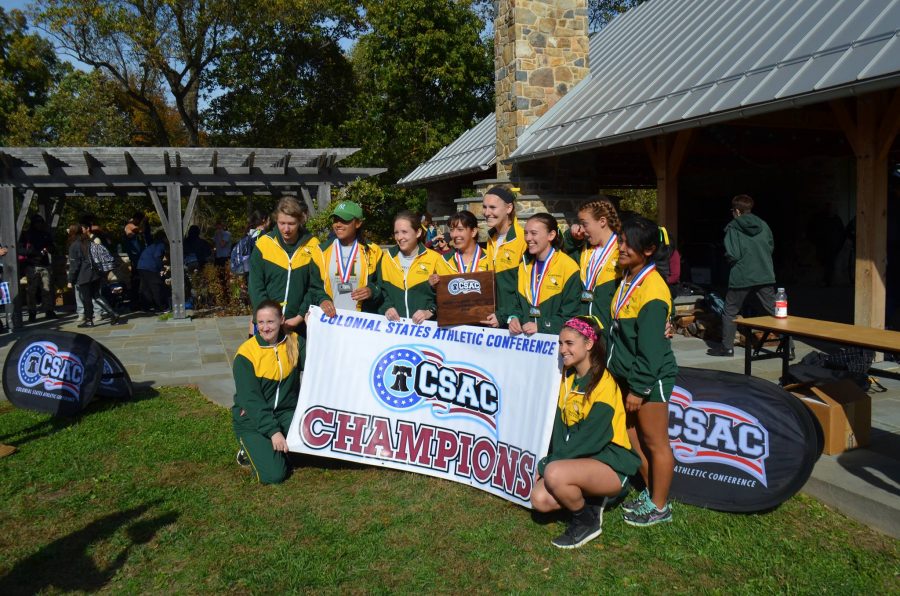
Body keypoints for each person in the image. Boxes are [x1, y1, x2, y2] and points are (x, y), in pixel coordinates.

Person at [531, 316, 640, 549]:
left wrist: (547, 463)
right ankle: (591, 497)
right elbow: (561, 433)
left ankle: (586, 521)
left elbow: (590, 441)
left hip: (611, 464)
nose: (563, 350)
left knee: (554, 473)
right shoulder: (567, 378)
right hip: (583, 461)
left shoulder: (604, 383)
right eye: (560, 344)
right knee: (539, 500)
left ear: (589, 344)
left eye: (569, 343)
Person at [606, 216, 677, 526]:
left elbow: (650, 350)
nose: (620, 247)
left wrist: (638, 389)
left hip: (648, 379)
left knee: (655, 442)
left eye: (627, 242)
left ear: (648, 249)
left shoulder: (653, 290)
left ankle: (660, 507)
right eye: (620, 240)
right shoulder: (628, 276)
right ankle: (651, 493)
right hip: (627, 375)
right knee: (634, 439)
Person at [232, 300, 302, 484]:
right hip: (253, 419)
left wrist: (316, 327)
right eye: (260, 322)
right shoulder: (246, 355)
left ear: (282, 320)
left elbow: (320, 358)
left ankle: (277, 449)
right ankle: (247, 450)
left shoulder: (293, 341)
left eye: (270, 322)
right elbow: (251, 401)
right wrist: (274, 432)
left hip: (285, 413)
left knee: (316, 450)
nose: (264, 327)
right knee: (275, 475)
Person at [248, 197, 334, 334]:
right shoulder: (264, 245)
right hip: (267, 326)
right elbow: (256, 287)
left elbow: (314, 287)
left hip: (298, 325)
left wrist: (299, 317)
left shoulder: (313, 245)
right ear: (276, 220)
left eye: (291, 224)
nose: (286, 229)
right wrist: (270, 318)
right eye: (282, 223)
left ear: (300, 221)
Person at [708, 194, 779, 357]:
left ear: (738, 211)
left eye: (733, 210)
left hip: (741, 275)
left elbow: (733, 253)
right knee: (775, 311)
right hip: (764, 273)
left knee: (730, 311)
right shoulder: (764, 225)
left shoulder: (733, 227)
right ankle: (789, 347)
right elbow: (770, 246)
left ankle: (727, 348)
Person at [508, 213, 581, 336]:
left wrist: (542, 326)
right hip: (526, 344)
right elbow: (517, 305)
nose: (528, 238)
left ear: (551, 235)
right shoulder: (524, 265)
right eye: (526, 233)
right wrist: (514, 318)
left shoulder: (569, 267)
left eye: (534, 233)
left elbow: (571, 316)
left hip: (555, 345)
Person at [378, 210, 452, 324]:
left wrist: (430, 311)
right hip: (394, 330)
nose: (399, 237)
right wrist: (387, 307)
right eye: (396, 232)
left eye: (404, 232)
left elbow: (449, 296)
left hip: (425, 333)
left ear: (418, 232)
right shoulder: (387, 258)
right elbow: (380, 292)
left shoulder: (435, 259)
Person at [315, 200, 382, 313]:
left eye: (344, 220)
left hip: (360, 323)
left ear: (358, 223)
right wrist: (322, 299)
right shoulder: (320, 251)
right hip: (330, 321)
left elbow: (382, 286)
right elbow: (314, 287)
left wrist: (371, 291)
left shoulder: (373, 251)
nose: (338, 224)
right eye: (335, 220)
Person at [565, 200, 622, 328]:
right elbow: (560, 251)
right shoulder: (583, 251)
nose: (582, 230)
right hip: (582, 330)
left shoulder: (622, 251)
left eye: (585, 224)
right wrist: (571, 237)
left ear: (602, 221)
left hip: (608, 331)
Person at [484, 187, 528, 327]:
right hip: (493, 319)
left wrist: (505, 316)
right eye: (484, 207)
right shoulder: (491, 239)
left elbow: (526, 289)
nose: (486, 213)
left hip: (514, 322)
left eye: (492, 207)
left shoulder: (523, 240)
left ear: (509, 208)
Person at [66, 223, 122, 327]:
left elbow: (75, 265)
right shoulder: (87, 241)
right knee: (97, 295)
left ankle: (88, 320)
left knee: (86, 298)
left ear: (72, 232)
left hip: (83, 275)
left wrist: (70, 280)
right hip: (95, 273)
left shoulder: (74, 245)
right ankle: (113, 313)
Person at [19, 214, 57, 322]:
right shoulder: (26, 235)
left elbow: (53, 248)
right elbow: (20, 249)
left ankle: (49, 310)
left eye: (41, 222)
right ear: (33, 223)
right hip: (31, 265)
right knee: (31, 291)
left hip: (44, 265)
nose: (39, 224)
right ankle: (32, 312)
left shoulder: (46, 234)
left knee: (47, 289)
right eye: (37, 222)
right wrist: (34, 252)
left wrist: (48, 249)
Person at [137, 230, 170, 312]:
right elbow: (157, 256)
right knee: (156, 287)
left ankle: (145, 307)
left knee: (145, 288)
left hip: (141, 266)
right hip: (150, 267)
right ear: (164, 237)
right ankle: (162, 307)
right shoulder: (160, 245)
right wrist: (161, 268)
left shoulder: (153, 245)